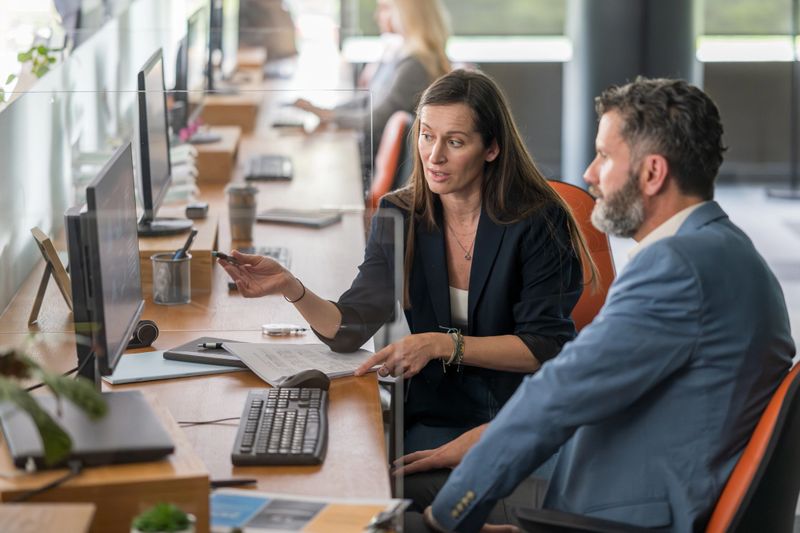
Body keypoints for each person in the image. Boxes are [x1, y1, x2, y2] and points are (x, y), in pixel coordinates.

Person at [406, 77, 796, 532]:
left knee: (387, 493)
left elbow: (557, 396)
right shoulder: (728, 252)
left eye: (605, 156)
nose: (589, 173)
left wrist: (444, 521)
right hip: (644, 489)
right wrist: (488, 436)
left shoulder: (677, 268)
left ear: (652, 173)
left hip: (610, 516)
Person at [220, 69, 596, 454]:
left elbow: (544, 346)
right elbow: (350, 328)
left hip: (517, 412)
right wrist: (291, 288)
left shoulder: (537, 221)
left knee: (403, 493)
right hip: (435, 411)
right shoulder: (400, 214)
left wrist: (442, 345)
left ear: (491, 149)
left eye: (455, 141)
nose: (435, 156)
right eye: (427, 135)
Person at [292, 0, 451, 156]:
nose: (377, 16)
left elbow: (376, 121)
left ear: (407, 13)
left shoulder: (415, 65)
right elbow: (368, 99)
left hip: (374, 159)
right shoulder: (400, 53)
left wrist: (329, 116)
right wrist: (326, 111)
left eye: (384, 8)